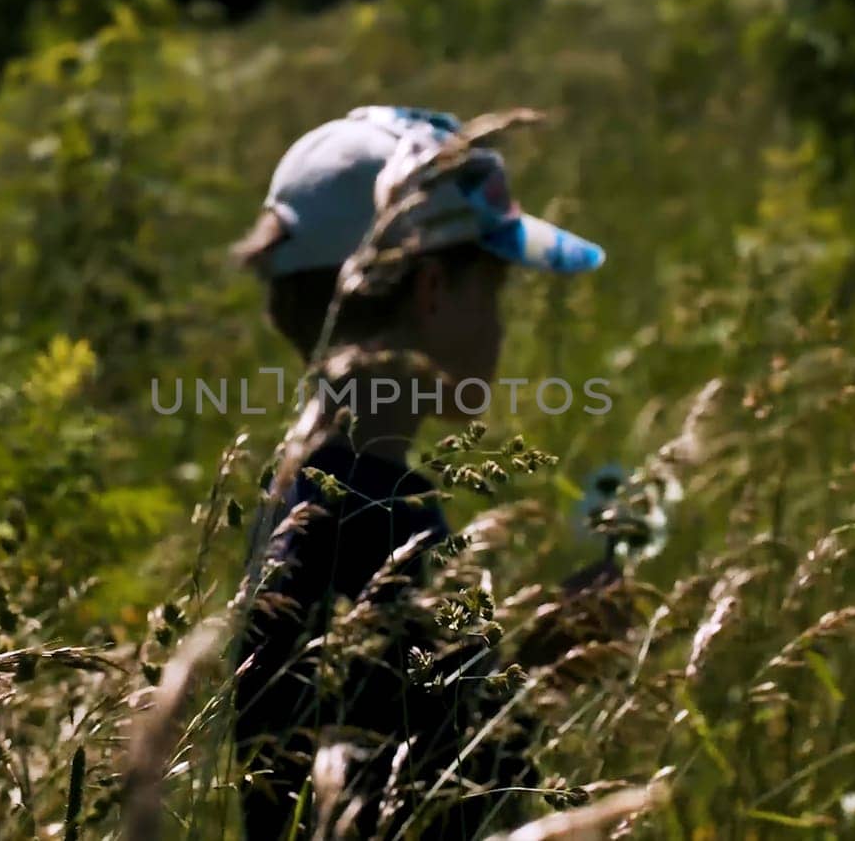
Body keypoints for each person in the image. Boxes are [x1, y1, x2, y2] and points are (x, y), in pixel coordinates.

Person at [230, 106, 607, 840]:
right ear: (431, 290)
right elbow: (455, 783)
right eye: (492, 294)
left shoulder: (306, 493)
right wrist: (555, 666)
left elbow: (395, 719)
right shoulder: (378, 515)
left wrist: (537, 645)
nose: (501, 327)